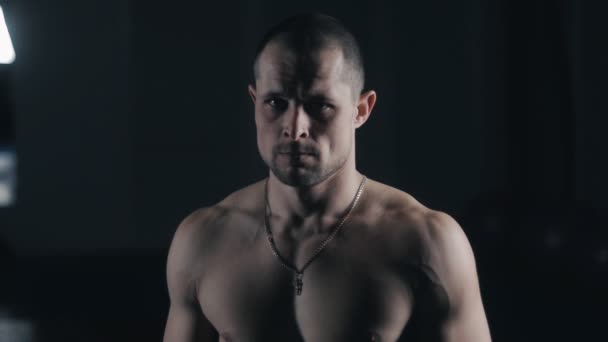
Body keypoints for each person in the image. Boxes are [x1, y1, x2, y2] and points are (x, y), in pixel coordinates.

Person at [162, 13, 492, 342]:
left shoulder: (428, 242)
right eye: (276, 103)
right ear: (254, 102)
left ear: (361, 110)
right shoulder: (203, 240)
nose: (295, 128)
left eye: (320, 106)